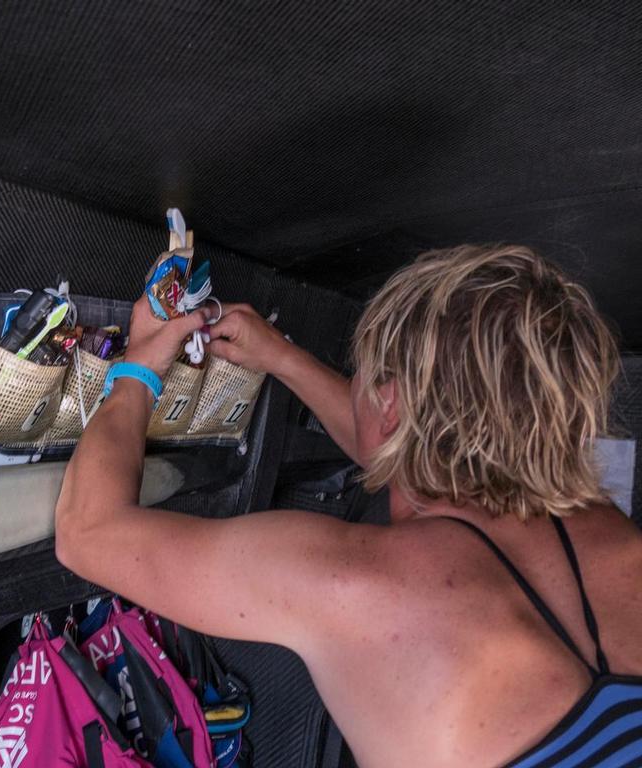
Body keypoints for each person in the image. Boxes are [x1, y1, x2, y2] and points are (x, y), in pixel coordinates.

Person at [55, 245, 642, 767]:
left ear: (388, 403)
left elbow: (87, 533)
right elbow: (397, 445)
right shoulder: (604, 527)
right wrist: (282, 358)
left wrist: (138, 368)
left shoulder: (357, 584)